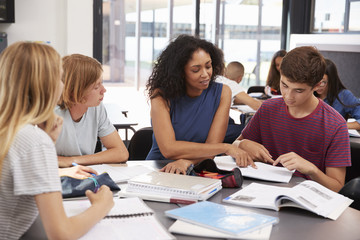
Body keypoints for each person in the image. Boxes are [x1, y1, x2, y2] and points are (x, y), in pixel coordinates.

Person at [0, 42, 114, 239]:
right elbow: (62, 234)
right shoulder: (32, 140)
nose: (64, 85)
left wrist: (48, 143)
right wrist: (102, 206)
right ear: (46, 84)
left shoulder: (10, 129)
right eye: (60, 77)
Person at [234, 46, 351, 192]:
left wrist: (312, 170)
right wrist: (243, 144)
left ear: (317, 85)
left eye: (299, 90)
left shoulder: (335, 124)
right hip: (262, 191)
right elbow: (234, 145)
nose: (288, 96)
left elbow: (337, 187)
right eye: (284, 85)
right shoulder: (268, 108)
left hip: (306, 200)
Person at [145, 34, 253, 174]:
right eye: (196, 70)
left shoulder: (222, 93)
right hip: (160, 167)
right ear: (180, 72)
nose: (205, 74)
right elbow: (169, 149)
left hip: (199, 167)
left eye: (208, 66)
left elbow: (211, 148)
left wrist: (187, 162)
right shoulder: (160, 96)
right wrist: (225, 148)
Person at [55, 54, 128, 167]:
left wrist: (73, 160)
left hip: (82, 174)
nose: (104, 90)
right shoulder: (51, 114)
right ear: (77, 91)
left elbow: (121, 153)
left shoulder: (96, 108)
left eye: (101, 83)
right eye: (96, 87)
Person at [315, 58, 360, 130]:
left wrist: (337, 125)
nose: (317, 86)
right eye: (315, 81)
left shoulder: (343, 95)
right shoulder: (308, 94)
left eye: (323, 82)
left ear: (332, 80)